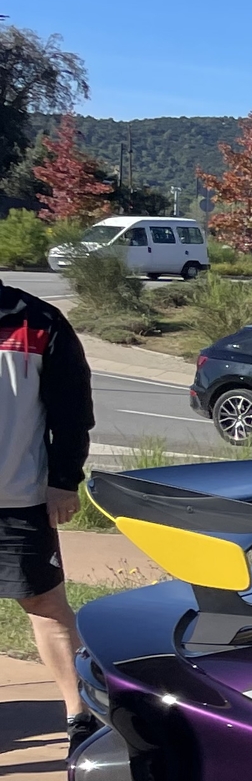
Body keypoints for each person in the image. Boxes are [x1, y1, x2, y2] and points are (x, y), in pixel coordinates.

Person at [0, 277, 95, 726]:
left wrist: (63, 480)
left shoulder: (38, 321)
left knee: (47, 607)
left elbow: (73, 411)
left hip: (18, 498)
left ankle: (82, 717)